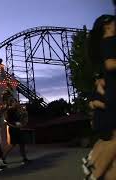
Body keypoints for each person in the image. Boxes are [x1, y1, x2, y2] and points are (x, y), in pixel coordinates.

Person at [82, 14, 116, 180]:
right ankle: (94, 170)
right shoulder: (109, 42)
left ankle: (93, 164)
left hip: (108, 96)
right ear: (107, 26)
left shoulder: (105, 43)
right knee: (113, 140)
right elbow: (110, 64)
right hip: (112, 97)